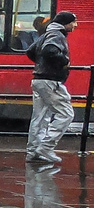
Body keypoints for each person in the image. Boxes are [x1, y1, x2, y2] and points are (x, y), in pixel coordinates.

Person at [28, 11, 78, 165]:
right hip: (51, 81)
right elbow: (50, 50)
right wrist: (64, 62)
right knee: (66, 114)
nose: (75, 25)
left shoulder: (47, 33)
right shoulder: (57, 35)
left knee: (40, 118)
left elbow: (30, 51)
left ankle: (33, 152)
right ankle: (46, 147)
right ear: (66, 23)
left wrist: (41, 63)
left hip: (39, 79)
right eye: (74, 22)